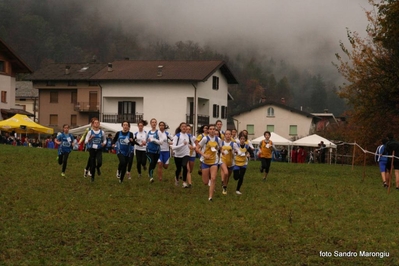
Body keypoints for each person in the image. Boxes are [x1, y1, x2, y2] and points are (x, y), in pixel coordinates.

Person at [196, 124, 222, 201]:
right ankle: (203, 173)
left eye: (214, 129)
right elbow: (197, 149)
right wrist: (204, 155)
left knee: (213, 178)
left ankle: (210, 197)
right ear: (208, 131)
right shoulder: (205, 139)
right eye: (210, 129)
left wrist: (222, 151)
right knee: (205, 182)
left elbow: (220, 148)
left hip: (214, 161)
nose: (212, 130)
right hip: (205, 161)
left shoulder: (218, 139)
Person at [172, 122, 193, 188]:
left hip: (186, 154)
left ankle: (184, 182)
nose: (184, 127)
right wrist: (182, 144)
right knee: (178, 169)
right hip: (177, 155)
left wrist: (193, 146)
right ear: (180, 128)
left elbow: (192, 143)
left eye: (185, 126)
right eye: (183, 126)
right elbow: (174, 147)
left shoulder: (189, 136)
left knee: (184, 166)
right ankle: (177, 179)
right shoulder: (177, 136)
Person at [85, 118, 106, 182]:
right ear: (92, 124)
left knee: (99, 162)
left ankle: (98, 167)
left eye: (98, 123)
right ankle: (92, 177)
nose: (96, 124)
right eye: (95, 123)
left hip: (99, 149)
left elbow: (105, 140)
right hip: (92, 149)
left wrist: (104, 143)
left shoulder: (102, 132)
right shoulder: (90, 132)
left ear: (99, 124)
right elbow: (85, 141)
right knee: (92, 163)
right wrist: (89, 139)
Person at [220, 129, 239, 195]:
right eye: (226, 134)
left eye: (229, 134)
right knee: (226, 173)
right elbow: (218, 149)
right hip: (223, 160)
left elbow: (238, 152)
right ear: (224, 135)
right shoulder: (221, 143)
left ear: (231, 135)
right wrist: (221, 151)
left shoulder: (233, 144)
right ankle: (223, 183)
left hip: (231, 162)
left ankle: (225, 186)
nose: (228, 135)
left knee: (228, 176)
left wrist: (236, 152)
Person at [146, 118, 163, 183]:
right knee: (151, 162)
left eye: (155, 122)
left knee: (154, 164)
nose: (154, 123)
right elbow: (146, 140)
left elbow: (161, 142)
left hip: (156, 151)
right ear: (150, 124)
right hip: (149, 151)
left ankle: (150, 172)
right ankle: (151, 177)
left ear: (156, 124)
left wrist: (154, 140)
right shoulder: (148, 132)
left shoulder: (158, 132)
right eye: (152, 122)